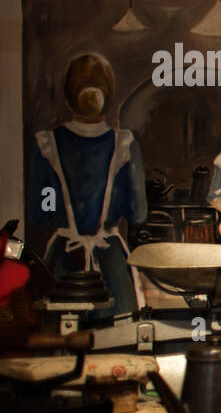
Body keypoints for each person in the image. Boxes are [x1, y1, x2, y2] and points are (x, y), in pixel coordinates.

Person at [29, 53, 147, 316]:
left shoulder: (48, 145)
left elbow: (41, 211)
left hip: (63, 264)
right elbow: (137, 213)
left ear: (69, 96)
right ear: (109, 95)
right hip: (111, 267)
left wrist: (59, 197)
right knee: (116, 345)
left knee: (61, 341)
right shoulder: (124, 146)